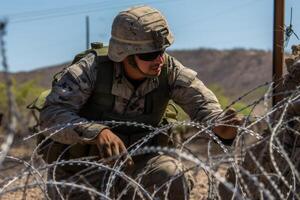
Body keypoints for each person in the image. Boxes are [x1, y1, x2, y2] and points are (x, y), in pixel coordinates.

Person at [39, 5, 242, 200]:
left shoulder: (170, 71)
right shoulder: (90, 70)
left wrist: (220, 126)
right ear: (123, 54)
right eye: (149, 55)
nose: (159, 59)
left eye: (162, 50)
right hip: (84, 172)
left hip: (143, 167)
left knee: (172, 178)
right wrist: (95, 132)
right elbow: (51, 115)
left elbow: (202, 105)